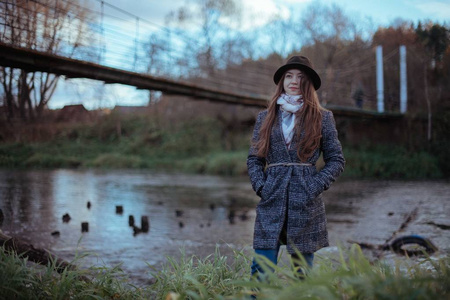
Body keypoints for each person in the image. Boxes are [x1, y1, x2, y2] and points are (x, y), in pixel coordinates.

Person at [247, 55, 345, 279]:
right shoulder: (265, 117)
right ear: (281, 80)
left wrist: (313, 186)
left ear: (308, 82)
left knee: (303, 275)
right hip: (272, 199)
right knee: (260, 270)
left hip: (306, 203)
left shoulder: (323, 117)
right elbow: (254, 159)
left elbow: (337, 160)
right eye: (288, 76)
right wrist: (261, 186)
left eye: (300, 77)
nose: (293, 81)